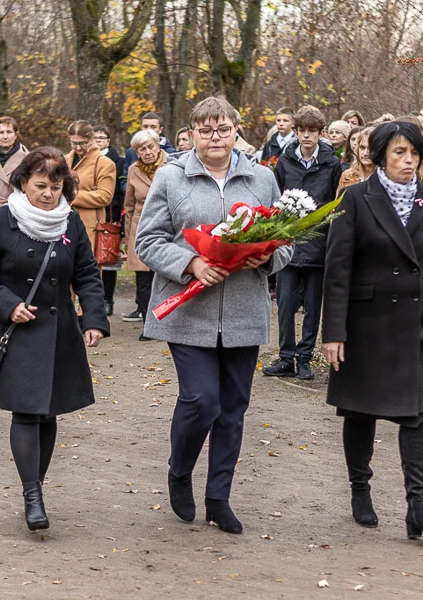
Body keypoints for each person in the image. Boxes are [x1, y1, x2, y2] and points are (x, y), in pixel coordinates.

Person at [135, 96, 293, 534]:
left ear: (236, 130)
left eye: (223, 129)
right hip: (188, 311)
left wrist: (261, 260)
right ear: (192, 134)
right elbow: (147, 240)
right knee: (200, 400)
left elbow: (288, 242)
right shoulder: (171, 177)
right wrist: (191, 264)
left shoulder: (262, 178)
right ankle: (180, 470)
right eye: (206, 130)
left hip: (244, 311)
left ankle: (219, 497)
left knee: (232, 410)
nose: (215, 137)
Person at [0, 146, 110, 531]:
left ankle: (38, 485)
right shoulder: (0, 221)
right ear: (23, 183)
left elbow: (86, 274)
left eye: (56, 185)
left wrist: (93, 319)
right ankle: (32, 494)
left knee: (48, 413)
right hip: (18, 332)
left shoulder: (71, 223)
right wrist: (7, 304)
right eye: (40, 185)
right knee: (27, 411)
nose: (48, 194)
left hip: (60, 331)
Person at [322, 121, 423, 539]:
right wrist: (333, 331)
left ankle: (419, 506)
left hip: (417, 323)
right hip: (365, 325)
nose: (408, 160)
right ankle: (361, 490)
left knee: (417, 416)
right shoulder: (355, 198)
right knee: (361, 412)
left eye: (414, 153)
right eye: (399, 153)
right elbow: (337, 269)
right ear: (379, 157)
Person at [263, 107, 341, 380]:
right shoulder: (285, 162)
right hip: (289, 243)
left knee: (312, 305)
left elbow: (335, 200)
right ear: (295, 132)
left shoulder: (331, 164)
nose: (307, 136)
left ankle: (305, 357)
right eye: (302, 131)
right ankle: (286, 356)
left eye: (312, 131)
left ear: (321, 133)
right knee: (284, 304)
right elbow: (276, 197)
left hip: (319, 243)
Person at [122, 129, 166, 336]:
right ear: (136, 152)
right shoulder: (133, 170)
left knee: (164, 276)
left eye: (150, 147)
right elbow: (129, 206)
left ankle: (165, 322)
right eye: (142, 149)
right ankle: (149, 325)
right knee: (143, 281)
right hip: (140, 228)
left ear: (158, 146)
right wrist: (127, 235)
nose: (147, 152)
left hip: (166, 226)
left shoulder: (171, 166)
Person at [65, 120, 117, 253]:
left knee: (87, 268)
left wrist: (70, 195)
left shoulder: (104, 163)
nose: (77, 147)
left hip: (90, 226)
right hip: (62, 222)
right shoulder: (64, 161)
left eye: (82, 143)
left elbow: (105, 196)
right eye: (73, 143)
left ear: (91, 139)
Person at [93, 124, 125, 316]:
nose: (98, 141)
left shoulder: (118, 162)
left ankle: (108, 299)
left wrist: (121, 221)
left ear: (108, 140)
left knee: (109, 258)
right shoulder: (86, 160)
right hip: (90, 213)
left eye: (101, 138)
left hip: (110, 213)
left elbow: (120, 194)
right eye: (95, 137)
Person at [122, 112, 176, 188]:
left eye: (153, 127)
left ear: (160, 130)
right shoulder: (132, 152)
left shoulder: (171, 153)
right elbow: (124, 179)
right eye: (145, 126)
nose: (148, 129)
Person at [337, 126, 376, 195]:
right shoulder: (347, 175)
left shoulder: (385, 177)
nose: (365, 153)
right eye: (362, 148)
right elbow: (339, 204)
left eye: (371, 148)